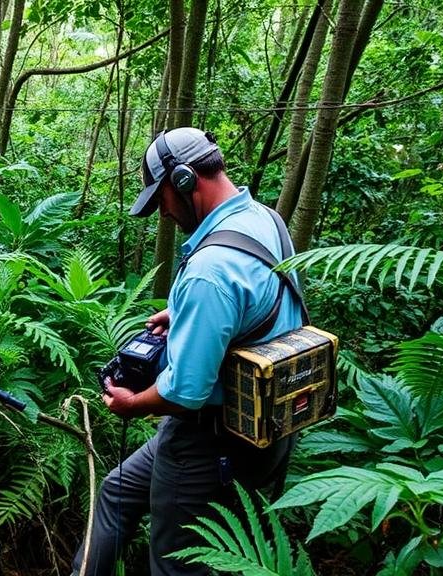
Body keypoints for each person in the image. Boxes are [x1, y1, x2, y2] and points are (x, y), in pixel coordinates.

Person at [71, 127, 303, 576]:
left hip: (206, 442)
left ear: (182, 180)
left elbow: (183, 394)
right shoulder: (263, 220)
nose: (163, 213)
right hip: (265, 429)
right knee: (118, 491)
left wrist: (132, 404)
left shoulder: (209, 268)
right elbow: (262, 301)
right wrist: (187, 318)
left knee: (177, 566)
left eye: (161, 200)